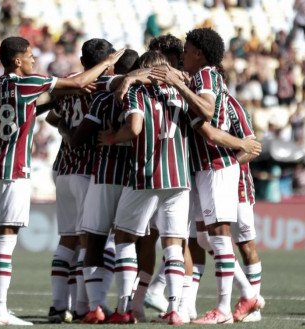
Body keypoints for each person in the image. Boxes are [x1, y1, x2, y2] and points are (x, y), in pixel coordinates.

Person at [0, 36, 123, 326]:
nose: (34, 60)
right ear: (17, 60)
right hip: (15, 167)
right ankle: (0, 310)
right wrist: (108, 63)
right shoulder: (24, 83)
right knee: (8, 237)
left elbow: (37, 111)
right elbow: (77, 85)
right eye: (30, 56)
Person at [150, 28, 264, 324]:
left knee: (221, 238)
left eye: (187, 51)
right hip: (206, 168)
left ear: (199, 53)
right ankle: (248, 293)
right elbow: (205, 126)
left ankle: (224, 309)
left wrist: (181, 87)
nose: (184, 56)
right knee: (207, 238)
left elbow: (208, 112)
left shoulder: (206, 76)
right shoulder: (201, 79)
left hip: (216, 165)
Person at [99, 51, 192, 325]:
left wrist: (114, 138)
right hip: (179, 178)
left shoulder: (138, 92)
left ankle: (125, 307)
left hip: (146, 175)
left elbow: (135, 128)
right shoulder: (181, 93)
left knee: (125, 238)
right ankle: (175, 309)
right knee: (173, 244)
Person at [44, 38, 117, 323]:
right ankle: (87, 306)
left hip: (63, 168)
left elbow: (52, 117)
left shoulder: (71, 83)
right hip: (88, 170)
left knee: (68, 239)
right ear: (106, 62)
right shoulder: (100, 86)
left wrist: (66, 132)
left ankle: (59, 305)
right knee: (92, 240)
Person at [69, 49, 140, 324]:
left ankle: (96, 306)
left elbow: (78, 138)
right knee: (127, 242)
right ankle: (125, 308)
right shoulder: (145, 96)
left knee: (95, 239)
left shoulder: (102, 98)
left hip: (105, 174)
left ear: (113, 69)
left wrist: (72, 131)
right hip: (135, 179)